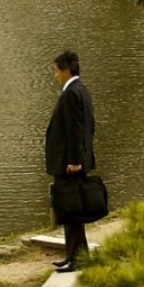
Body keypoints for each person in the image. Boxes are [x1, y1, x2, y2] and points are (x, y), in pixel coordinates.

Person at [44, 48, 96, 271]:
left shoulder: (70, 93)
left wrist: (75, 160)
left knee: (70, 212)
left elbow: (75, 130)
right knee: (71, 211)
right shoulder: (81, 90)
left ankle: (76, 260)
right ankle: (75, 255)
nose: (55, 75)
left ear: (66, 70)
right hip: (75, 162)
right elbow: (90, 126)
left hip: (69, 165)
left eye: (56, 70)